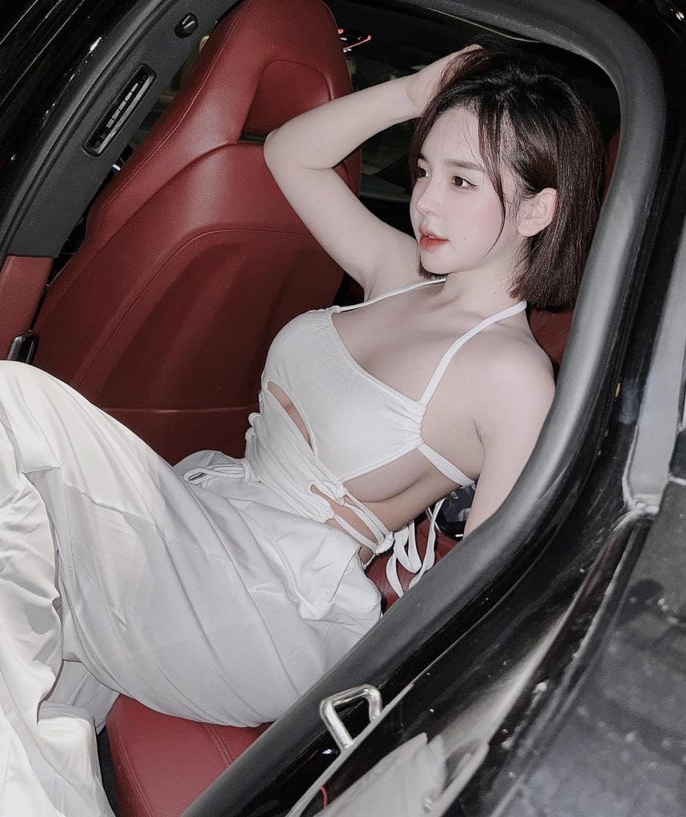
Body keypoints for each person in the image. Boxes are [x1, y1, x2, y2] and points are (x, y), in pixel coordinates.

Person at [0, 44, 604, 816]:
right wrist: (412, 92)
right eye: (423, 171)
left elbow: (487, 583)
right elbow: (292, 154)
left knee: (12, 403)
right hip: (208, 529)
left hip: (271, 611)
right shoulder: (400, 275)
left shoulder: (512, 374)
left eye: (462, 182)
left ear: (539, 210)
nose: (425, 203)